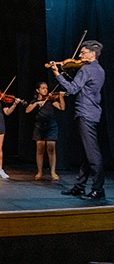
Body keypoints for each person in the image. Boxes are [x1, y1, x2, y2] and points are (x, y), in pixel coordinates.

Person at [51, 40, 106, 200]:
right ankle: (79, 187)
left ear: (92, 54)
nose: (80, 55)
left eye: (83, 52)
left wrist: (57, 74)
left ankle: (98, 189)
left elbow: (72, 89)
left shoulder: (87, 69)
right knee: (85, 153)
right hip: (93, 113)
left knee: (92, 154)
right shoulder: (99, 70)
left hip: (85, 114)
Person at [25, 82, 65, 181]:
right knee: (40, 149)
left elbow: (62, 107)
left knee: (51, 148)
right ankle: (39, 172)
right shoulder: (34, 101)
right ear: (38, 90)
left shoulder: (50, 100)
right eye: (43, 88)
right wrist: (36, 103)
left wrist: (61, 97)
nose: (45, 90)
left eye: (46, 88)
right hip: (39, 126)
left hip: (51, 125)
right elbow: (27, 110)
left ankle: (53, 172)